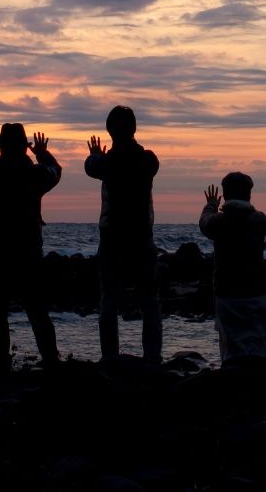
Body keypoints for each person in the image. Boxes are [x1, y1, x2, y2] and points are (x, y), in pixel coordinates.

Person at [0, 123, 60, 370]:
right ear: (25, 147)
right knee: (37, 311)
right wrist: (42, 153)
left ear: (1, 148)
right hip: (29, 252)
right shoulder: (36, 175)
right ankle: (51, 361)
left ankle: (2, 361)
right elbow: (55, 170)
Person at [85, 106, 162, 364]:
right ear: (134, 129)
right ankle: (152, 358)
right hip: (142, 238)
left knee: (109, 301)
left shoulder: (107, 163)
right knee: (149, 301)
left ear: (110, 131)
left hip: (112, 241)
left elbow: (91, 165)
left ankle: (110, 357)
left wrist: (97, 153)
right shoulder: (149, 160)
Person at [199, 172, 266, 366]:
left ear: (225, 194)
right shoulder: (259, 220)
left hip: (227, 291)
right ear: (249, 194)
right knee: (260, 338)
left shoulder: (219, 222)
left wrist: (211, 205)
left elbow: (204, 222)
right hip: (257, 290)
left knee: (231, 342)